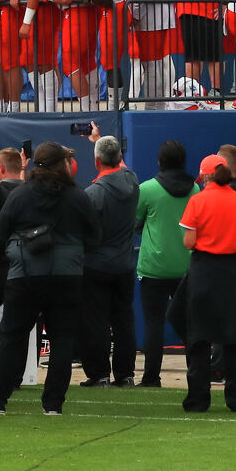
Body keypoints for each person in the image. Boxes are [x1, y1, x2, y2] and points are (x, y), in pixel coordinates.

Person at [0, 142, 97, 416]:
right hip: (66, 275)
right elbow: (95, 235)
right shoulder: (77, 197)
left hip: (25, 274)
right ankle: (53, 404)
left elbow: (2, 231)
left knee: (11, 337)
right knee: (62, 339)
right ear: (64, 165)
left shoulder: (21, 195)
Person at [177, 154, 236, 413]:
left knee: (199, 339)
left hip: (205, 271)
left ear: (204, 177)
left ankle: (198, 400)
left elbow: (189, 243)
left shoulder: (198, 201)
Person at [80, 133, 139, 388]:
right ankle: (124, 374)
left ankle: (99, 373)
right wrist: (99, 142)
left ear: (96, 162)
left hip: (96, 265)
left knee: (97, 321)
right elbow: (119, 163)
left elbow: (85, 233)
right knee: (124, 319)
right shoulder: (131, 180)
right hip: (124, 264)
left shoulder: (93, 194)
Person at [134, 138, 192, 385]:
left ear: (160, 162)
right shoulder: (196, 190)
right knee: (190, 324)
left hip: (154, 267)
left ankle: (150, 377)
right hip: (186, 266)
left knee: (154, 323)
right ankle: (196, 374)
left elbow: (135, 223)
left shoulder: (147, 189)